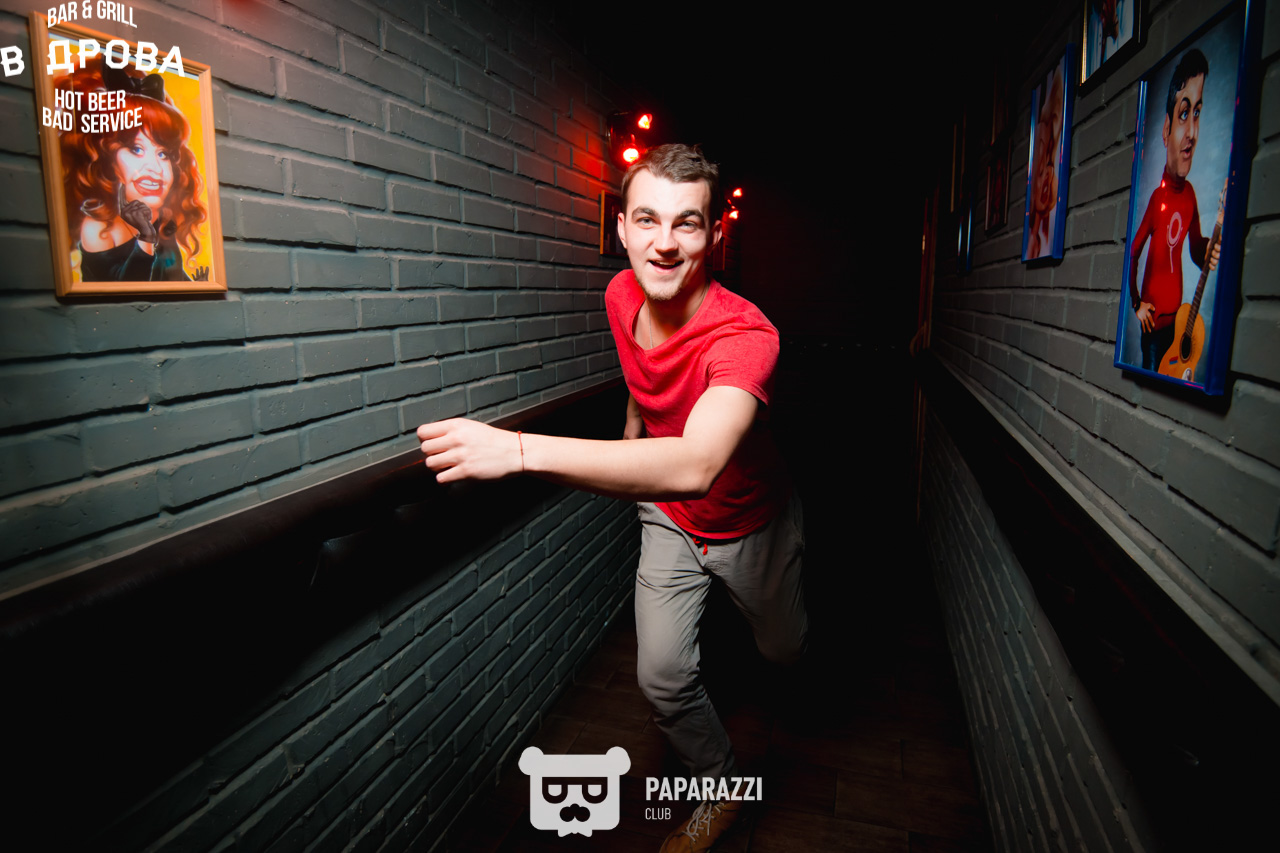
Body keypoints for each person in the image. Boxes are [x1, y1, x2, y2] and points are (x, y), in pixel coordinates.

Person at [417, 144, 806, 852]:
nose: (664, 243)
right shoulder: (621, 294)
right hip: (669, 521)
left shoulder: (747, 335)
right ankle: (720, 785)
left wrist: (519, 451)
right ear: (621, 228)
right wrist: (635, 412)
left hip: (751, 521)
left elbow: (696, 464)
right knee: (661, 676)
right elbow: (645, 372)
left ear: (715, 234)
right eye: (647, 220)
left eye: (687, 223)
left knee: (784, 651)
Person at [56, 57, 207, 282]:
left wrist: (196, 288)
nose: (155, 168)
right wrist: (145, 238)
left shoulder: (162, 218)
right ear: (106, 157)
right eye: (136, 149)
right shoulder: (98, 228)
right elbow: (127, 290)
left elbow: (170, 275)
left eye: (163, 154)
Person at [1127, 49, 1221, 371]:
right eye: (1183, 114)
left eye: (1197, 113)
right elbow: (1133, 252)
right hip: (1153, 330)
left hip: (1179, 327)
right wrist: (1137, 304)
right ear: (1166, 129)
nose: (1192, 132)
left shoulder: (1190, 195)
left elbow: (1194, 249)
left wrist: (1209, 248)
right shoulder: (1157, 199)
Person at [1025, 62, 1064, 260]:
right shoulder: (1035, 240)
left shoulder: (1046, 239)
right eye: (1039, 171)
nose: (1046, 178)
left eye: (1049, 164)